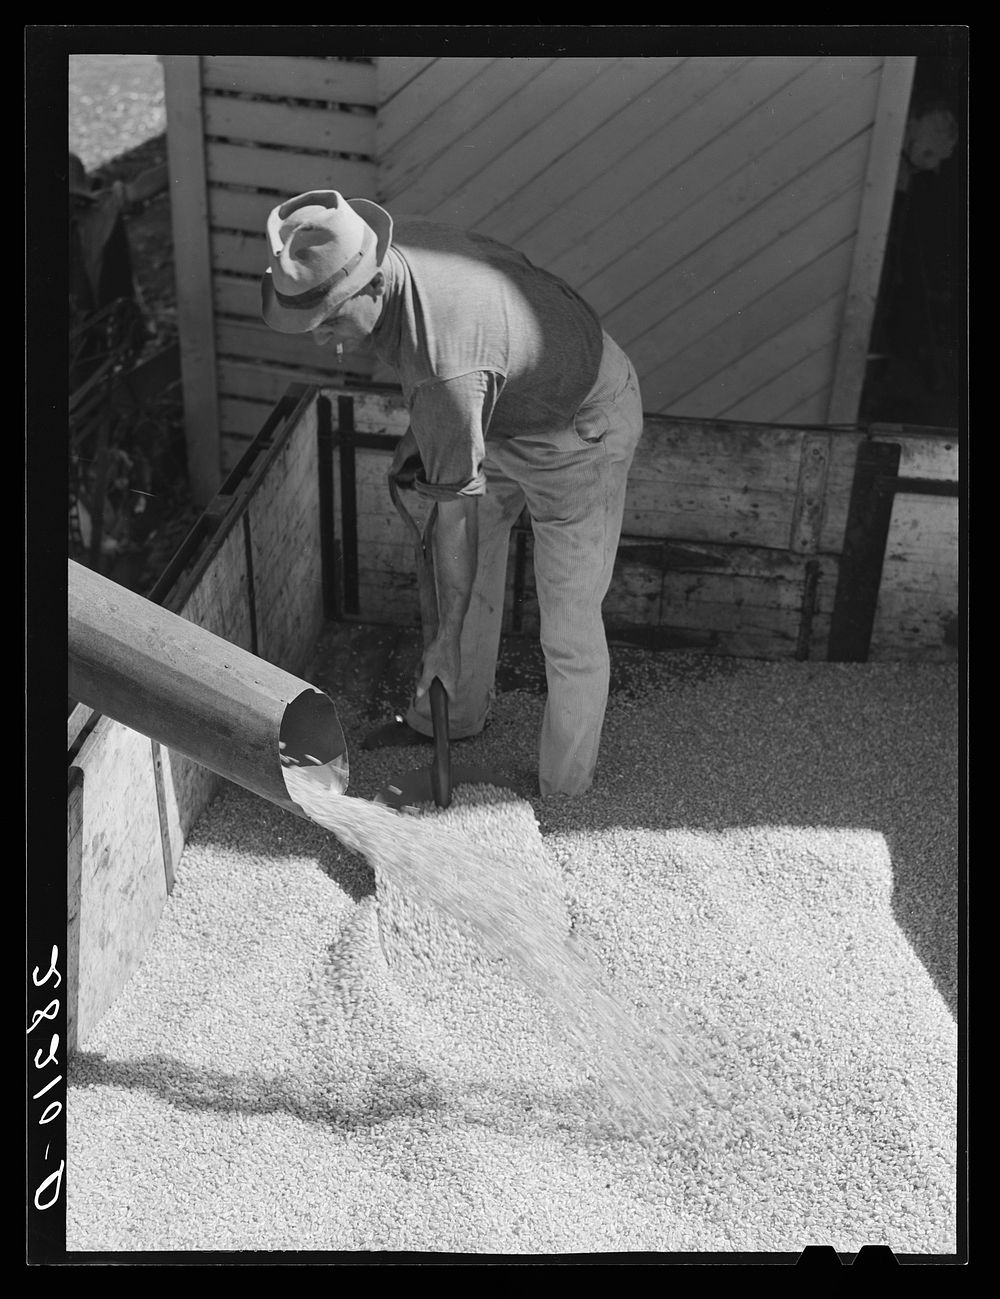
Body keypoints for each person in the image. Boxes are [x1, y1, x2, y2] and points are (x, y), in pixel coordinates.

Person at [260, 190, 644, 797]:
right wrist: (438, 427)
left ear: (373, 285)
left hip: (580, 426)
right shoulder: (386, 247)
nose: (320, 339)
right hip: (501, 403)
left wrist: (440, 640)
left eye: (330, 320)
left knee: (567, 619)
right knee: (461, 567)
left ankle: (566, 795)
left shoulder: (446, 368)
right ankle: (454, 721)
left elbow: (455, 501)